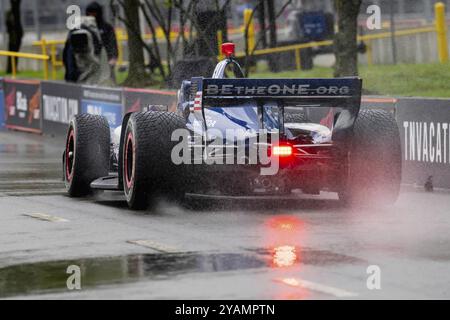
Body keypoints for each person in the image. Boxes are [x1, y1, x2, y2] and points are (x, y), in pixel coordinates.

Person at [63, 16, 111, 85]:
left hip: (82, 71)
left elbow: (67, 60)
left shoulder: (72, 36)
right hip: (91, 70)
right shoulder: (94, 36)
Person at [86, 1, 119, 83]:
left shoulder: (106, 27)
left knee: (109, 80)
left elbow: (112, 43)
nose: (92, 15)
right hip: (90, 60)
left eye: (94, 12)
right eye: (90, 13)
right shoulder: (85, 28)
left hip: (106, 59)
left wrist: (113, 57)